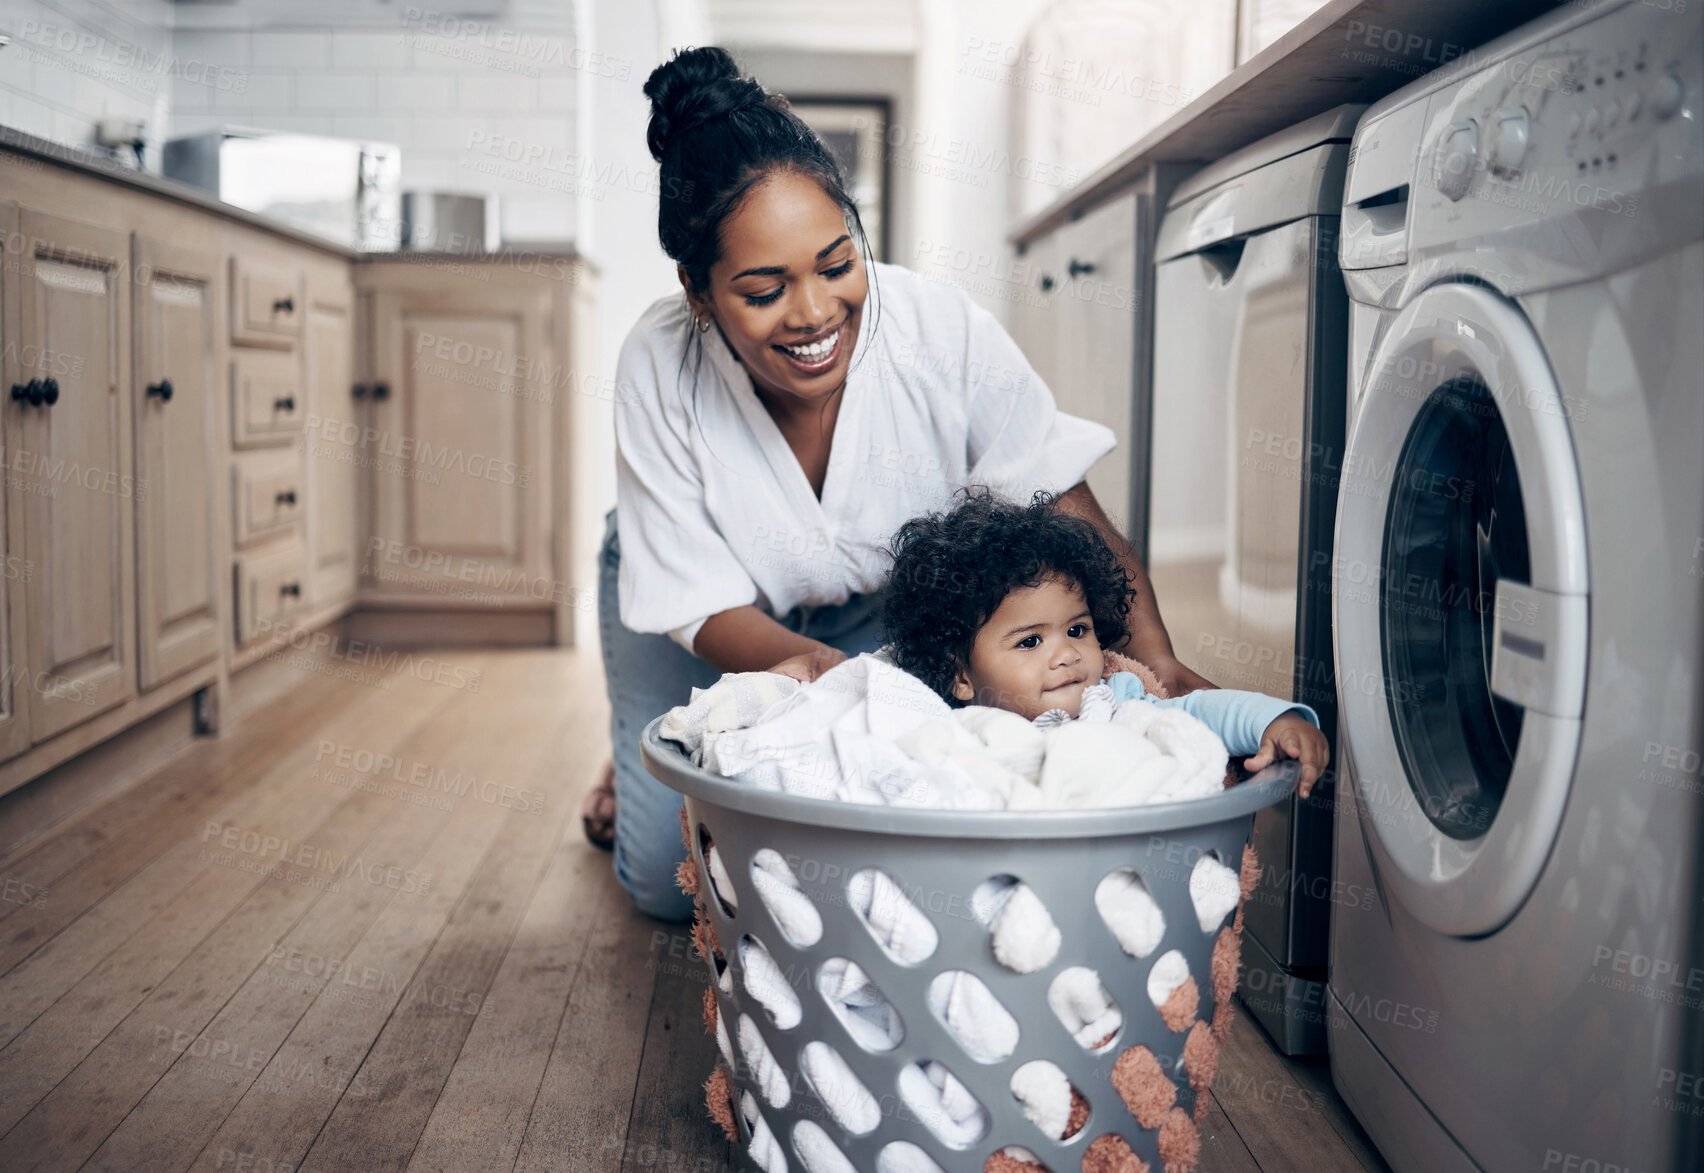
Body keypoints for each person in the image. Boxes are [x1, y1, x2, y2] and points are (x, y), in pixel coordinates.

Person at [589, 46, 1215, 920]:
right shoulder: (659, 364)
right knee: (671, 884)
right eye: (765, 289)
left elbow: (1062, 502)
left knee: (920, 785)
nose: (813, 314)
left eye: (837, 263)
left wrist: (1156, 658)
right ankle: (639, 747)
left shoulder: (938, 333)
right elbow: (694, 597)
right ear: (698, 293)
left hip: (877, 599)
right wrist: (830, 685)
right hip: (696, 608)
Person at [881, 489, 1329, 795]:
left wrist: (1276, 720)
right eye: (1030, 642)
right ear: (960, 675)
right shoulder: (951, 733)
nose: (1066, 653)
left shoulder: (1118, 703)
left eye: (1077, 630)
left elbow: (1198, 713)